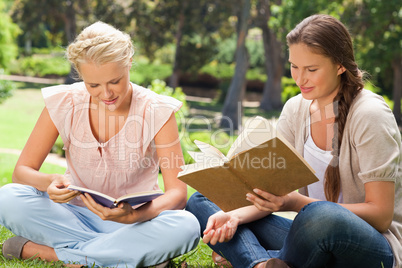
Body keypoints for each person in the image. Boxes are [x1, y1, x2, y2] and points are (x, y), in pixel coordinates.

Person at [186, 14, 401, 268]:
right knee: (201, 201)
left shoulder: (369, 114)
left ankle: (255, 256)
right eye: (294, 66)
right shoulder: (296, 109)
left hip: (370, 246)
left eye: (311, 69)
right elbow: (273, 194)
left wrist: (294, 202)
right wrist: (233, 217)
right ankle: (261, 264)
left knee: (321, 214)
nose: (300, 79)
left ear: (340, 65)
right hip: (309, 234)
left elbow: (381, 215)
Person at [0, 21, 200, 268]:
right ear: (79, 73)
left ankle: (49, 253)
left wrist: (133, 216)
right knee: (8, 197)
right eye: (93, 85)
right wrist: (49, 181)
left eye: (115, 81)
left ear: (129, 64)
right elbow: (22, 172)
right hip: (74, 216)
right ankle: (129, 256)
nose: (106, 94)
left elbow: (178, 194)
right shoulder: (65, 102)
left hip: (136, 222)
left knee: (187, 226)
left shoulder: (157, 110)